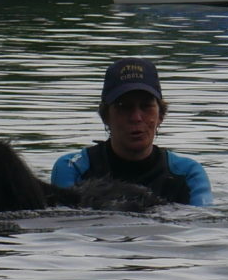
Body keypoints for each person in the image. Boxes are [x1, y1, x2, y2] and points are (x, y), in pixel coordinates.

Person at [49, 58, 212, 205]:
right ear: (105, 116)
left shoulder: (188, 174)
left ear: (160, 115)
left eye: (146, 106)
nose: (136, 117)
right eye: (123, 107)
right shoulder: (73, 168)